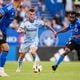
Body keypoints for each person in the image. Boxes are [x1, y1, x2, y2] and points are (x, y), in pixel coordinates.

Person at [0, 0, 22, 77]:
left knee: (1, 50)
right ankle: (1, 71)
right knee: (6, 48)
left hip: (4, 31)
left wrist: (14, 28)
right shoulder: (9, 7)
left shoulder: (14, 9)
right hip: (0, 31)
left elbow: (6, 21)